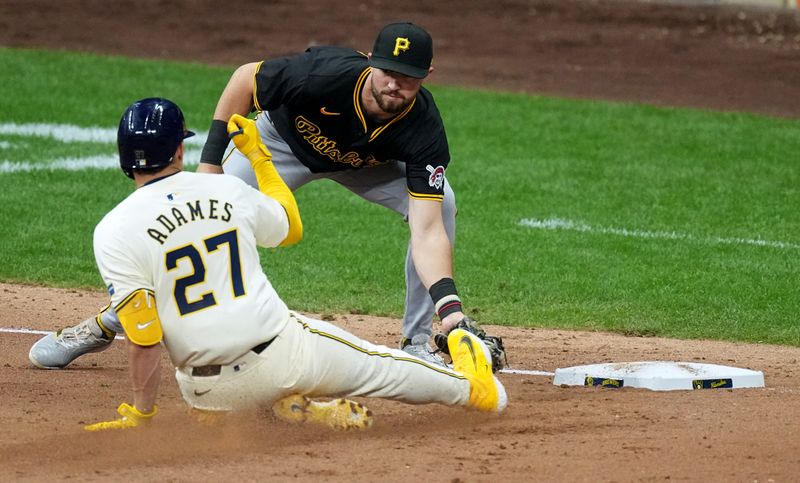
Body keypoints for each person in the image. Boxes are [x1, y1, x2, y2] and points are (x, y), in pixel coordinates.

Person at [29, 21, 495, 369]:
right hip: (277, 145)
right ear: (370, 60)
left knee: (442, 203)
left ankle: (419, 342)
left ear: (428, 74)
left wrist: (450, 310)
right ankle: (106, 323)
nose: (396, 84)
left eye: (409, 77)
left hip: (366, 167)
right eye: (388, 71)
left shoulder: (423, 128)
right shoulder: (324, 73)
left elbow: (429, 229)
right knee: (201, 227)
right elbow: (243, 80)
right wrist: (209, 171)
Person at [79, 97, 505, 431]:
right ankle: (477, 390)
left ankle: (261, 411)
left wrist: (143, 415)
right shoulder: (225, 190)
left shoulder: (110, 231)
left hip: (204, 389)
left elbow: (144, 338)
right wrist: (261, 160)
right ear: (178, 149)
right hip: (283, 357)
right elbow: (289, 228)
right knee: (382, 369)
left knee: (218, 400)